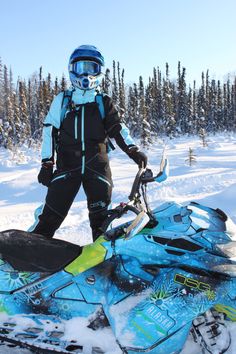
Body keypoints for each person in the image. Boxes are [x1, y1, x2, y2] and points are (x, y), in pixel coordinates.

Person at [30, 45, 147, 241]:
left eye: (91, 68)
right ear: (71, 69)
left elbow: (118, 128)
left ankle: (103, 265)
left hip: (98, 169)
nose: (85, 74)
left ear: (99, 71)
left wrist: (133, 150)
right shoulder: (63, 100)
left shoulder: (103, 101)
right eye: (80, 67)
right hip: (67, 168)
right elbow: (49, 131)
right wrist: (47, 163)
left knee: (101, 223)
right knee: (50, 218)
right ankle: (30, 257)